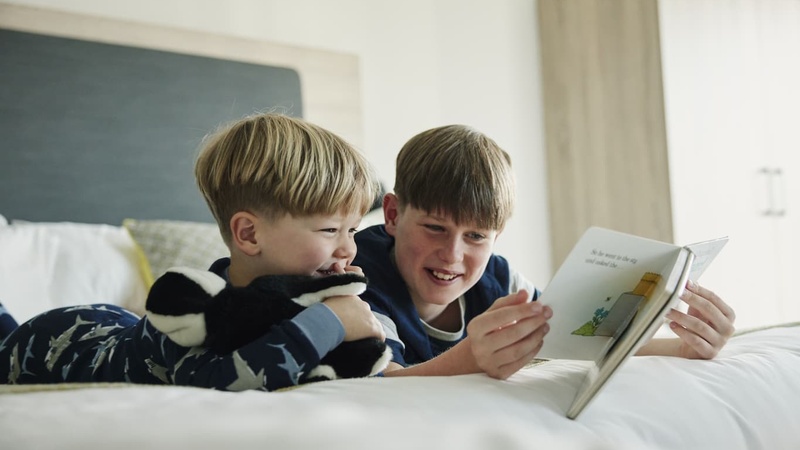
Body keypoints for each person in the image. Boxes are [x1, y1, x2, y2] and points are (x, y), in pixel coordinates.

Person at [0, 113, 384, 390]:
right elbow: (218, 382)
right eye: (330, 230)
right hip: (55, 343)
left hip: (115, 320)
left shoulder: (307, 300)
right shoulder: (194, 307)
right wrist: (329, 323)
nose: (348, 248)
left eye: (352, 229)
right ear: (249, 234)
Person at [353, 124, 737, 379]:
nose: (452, 254)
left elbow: (572, 341)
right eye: (435, 228)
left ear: (496, 236)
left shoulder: (498, 279)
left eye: (475, 237)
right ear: (392, 214)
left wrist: (683, 349)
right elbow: (384, 381)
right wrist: (469, 360)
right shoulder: (357, 279)